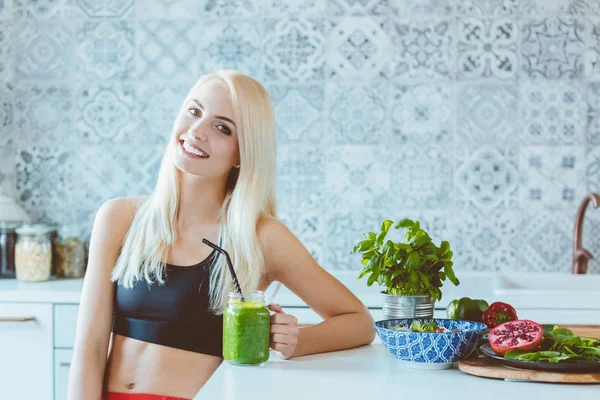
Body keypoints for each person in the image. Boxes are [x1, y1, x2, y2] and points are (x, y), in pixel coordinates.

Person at [67, 70, 375, 400]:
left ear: (243, 153)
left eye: (222, 127)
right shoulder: (118, 217)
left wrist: (299, 340)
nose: (196, 131)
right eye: (194, 112)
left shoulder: (260, 237)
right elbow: (91, 345)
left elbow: (359, 322)